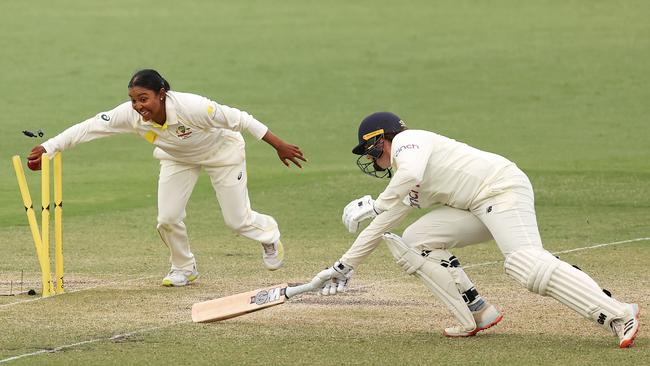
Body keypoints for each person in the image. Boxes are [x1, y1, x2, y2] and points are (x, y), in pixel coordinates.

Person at [308, 111, 640, 348]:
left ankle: (618, 313)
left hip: (502, 190)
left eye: (370, 149)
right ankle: (477, 311)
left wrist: (378, 203)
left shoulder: (410, 142)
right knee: (415, 241)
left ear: (383, 139)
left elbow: (403, 180)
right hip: (478, 207)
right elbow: (380, 226)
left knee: (523, 264)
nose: (370, 158)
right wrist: (342, 266)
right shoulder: (406, 177)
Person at [26, 69, 306, 287]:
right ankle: (184, 268)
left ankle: (269, 234)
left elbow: (241, 119)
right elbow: (89, 128)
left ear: (161, 93)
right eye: (133, 100)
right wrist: (49, 147)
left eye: (143, 99)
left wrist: (278, 144)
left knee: (237, 220)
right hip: (177, 159)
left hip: (222, 153)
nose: (138, 106)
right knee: (167, 219)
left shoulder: (193, 107)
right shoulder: (131, 115)